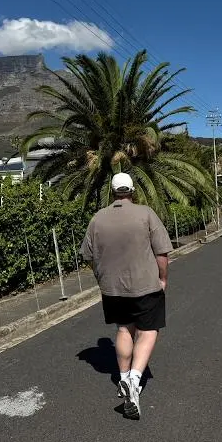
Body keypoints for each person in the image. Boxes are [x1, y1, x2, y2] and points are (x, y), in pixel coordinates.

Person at [79, 172, 173, 420]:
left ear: (112, 192)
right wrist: (163, 278)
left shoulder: (97, 218)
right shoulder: (146, 214)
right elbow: (162, 252)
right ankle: (134, 379)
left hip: (112, 289)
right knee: (147, 331)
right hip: (145, 286)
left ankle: (122, 377)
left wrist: (102, 275)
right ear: (132, 191)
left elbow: (88, 255)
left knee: (123, 329)